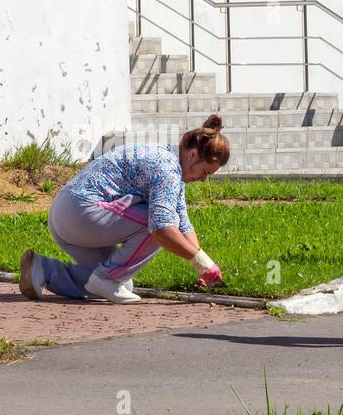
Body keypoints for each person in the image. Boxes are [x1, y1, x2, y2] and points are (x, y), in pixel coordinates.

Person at [19, 116, 230, 304]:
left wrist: (204, 264)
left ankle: (43, 269)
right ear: (193, 155)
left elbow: (183, 223)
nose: (202, 180)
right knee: (158, 225)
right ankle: (106, 278)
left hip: (65, 213)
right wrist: (198, 259)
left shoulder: (169, 162)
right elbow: (161, 228)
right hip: (81, 213)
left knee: (120, 285)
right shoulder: (167, 168)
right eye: (205, 172)